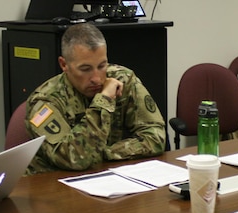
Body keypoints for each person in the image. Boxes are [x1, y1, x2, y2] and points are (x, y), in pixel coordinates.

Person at [25, 23, 166, 173]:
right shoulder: (43, 102)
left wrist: (107, 153)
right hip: (54, 186)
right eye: (85, 69)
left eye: (102, 66)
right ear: (64, 64)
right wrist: (104, 99)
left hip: (108, 178)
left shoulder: (123, 79)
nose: (97, 79)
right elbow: (75, 159)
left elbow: (156, 136)